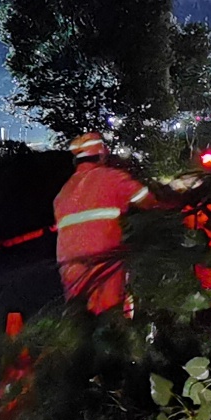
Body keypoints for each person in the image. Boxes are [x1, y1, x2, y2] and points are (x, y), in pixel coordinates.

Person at [52, 131, 151, 315]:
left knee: (81, 318)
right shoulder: (112, 178)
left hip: (69, 265)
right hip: (104, 261)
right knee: (109, 318)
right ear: (102, 155)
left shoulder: (63, 192)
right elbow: (150, 201)